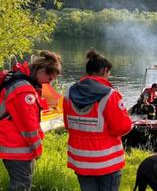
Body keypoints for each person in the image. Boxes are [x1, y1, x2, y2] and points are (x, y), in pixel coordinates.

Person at [63, 49, 132, 191]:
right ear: (104, 70)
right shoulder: (110, 95)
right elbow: (122, 127)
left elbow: (68, 125)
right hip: (107, 161)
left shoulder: (69, 92)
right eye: (109, 73)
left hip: (81, 159)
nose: (109, 76)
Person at [0, 51, 62, 191]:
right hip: (16, 147)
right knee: (21, 186)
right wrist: (37, 148)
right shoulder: (25, 91)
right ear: (41, 71)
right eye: (49, 78)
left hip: (11, 143)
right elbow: (28, 126)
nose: (49, 83)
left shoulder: (21, 81)